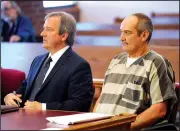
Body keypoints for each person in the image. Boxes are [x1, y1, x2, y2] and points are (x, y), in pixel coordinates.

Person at [93, 13, 177, 130]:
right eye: (121, 32)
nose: (121, 37)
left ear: (144, 35)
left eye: (127, 33)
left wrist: (125, 127)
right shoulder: (116, 60)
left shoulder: (156, 63)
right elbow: (103, 98)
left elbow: (159, 110)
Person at [4, 11, 94, 112]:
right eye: (44, 29)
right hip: (24, 119)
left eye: (48, 29)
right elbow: (25, 88)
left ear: (63, 36)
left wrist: (43, 107)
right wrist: (11, 96)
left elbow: (80, 104)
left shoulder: (79, 66)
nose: (42, 33)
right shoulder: (37, 60)